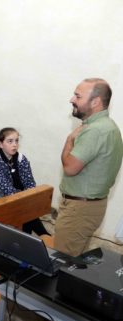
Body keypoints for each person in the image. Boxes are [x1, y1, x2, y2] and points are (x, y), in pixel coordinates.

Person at [55, 78, 123, 256]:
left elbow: (70, 168)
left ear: (95, 102)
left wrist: (69, 140)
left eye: (78, 96)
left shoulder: (95, 131)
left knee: (62, 263)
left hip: (79, 210)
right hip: (89, 207)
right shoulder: (109, 127)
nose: (72, 99)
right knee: (76, 263)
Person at [0, 127, 50, 236]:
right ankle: (43, 236)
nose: (14, 144)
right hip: (1, 200)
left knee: (27, 211)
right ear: (1, 144)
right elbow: (4, 186)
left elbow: (30, 182)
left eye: (17, 141)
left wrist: (27, 196)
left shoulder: (21, 158)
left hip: (20, 200)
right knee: (27, 212)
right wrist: (23, 197)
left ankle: (33, 238)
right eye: (10, 141)